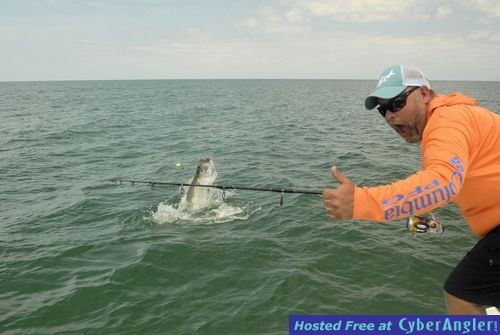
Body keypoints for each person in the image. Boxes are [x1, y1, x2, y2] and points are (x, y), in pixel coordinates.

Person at [322, 64, 500, 314]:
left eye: (396, 103)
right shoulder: (456, 117)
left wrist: (361, 202)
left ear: (424, 94)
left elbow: (442, 183)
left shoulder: (446, 122)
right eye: (382, 110)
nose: (389, 116)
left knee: (461, 294)